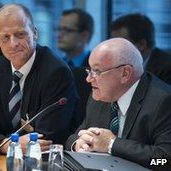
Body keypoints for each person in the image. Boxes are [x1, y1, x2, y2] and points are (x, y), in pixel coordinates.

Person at [0, 3, 78, 154]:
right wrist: (9, 145)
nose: (13, 43)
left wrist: (2, 143)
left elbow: (47, 139)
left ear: (34, 32)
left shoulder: (56, 72)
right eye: (5, 37)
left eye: (20, 34)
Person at [65, 38, 171, 170]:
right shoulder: (99, 96)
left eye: (96, 71)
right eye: (89, 70)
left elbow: (165, 160)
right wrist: (79, 144)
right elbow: (75, 136)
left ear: (125, 73)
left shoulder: (163, 101)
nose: (88, 79)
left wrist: (112, 144)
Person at [111, 13, 171, 84]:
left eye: (121, 44)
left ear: (142, 44)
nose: (114, 49)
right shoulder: (114, 64)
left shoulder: (167, 68)